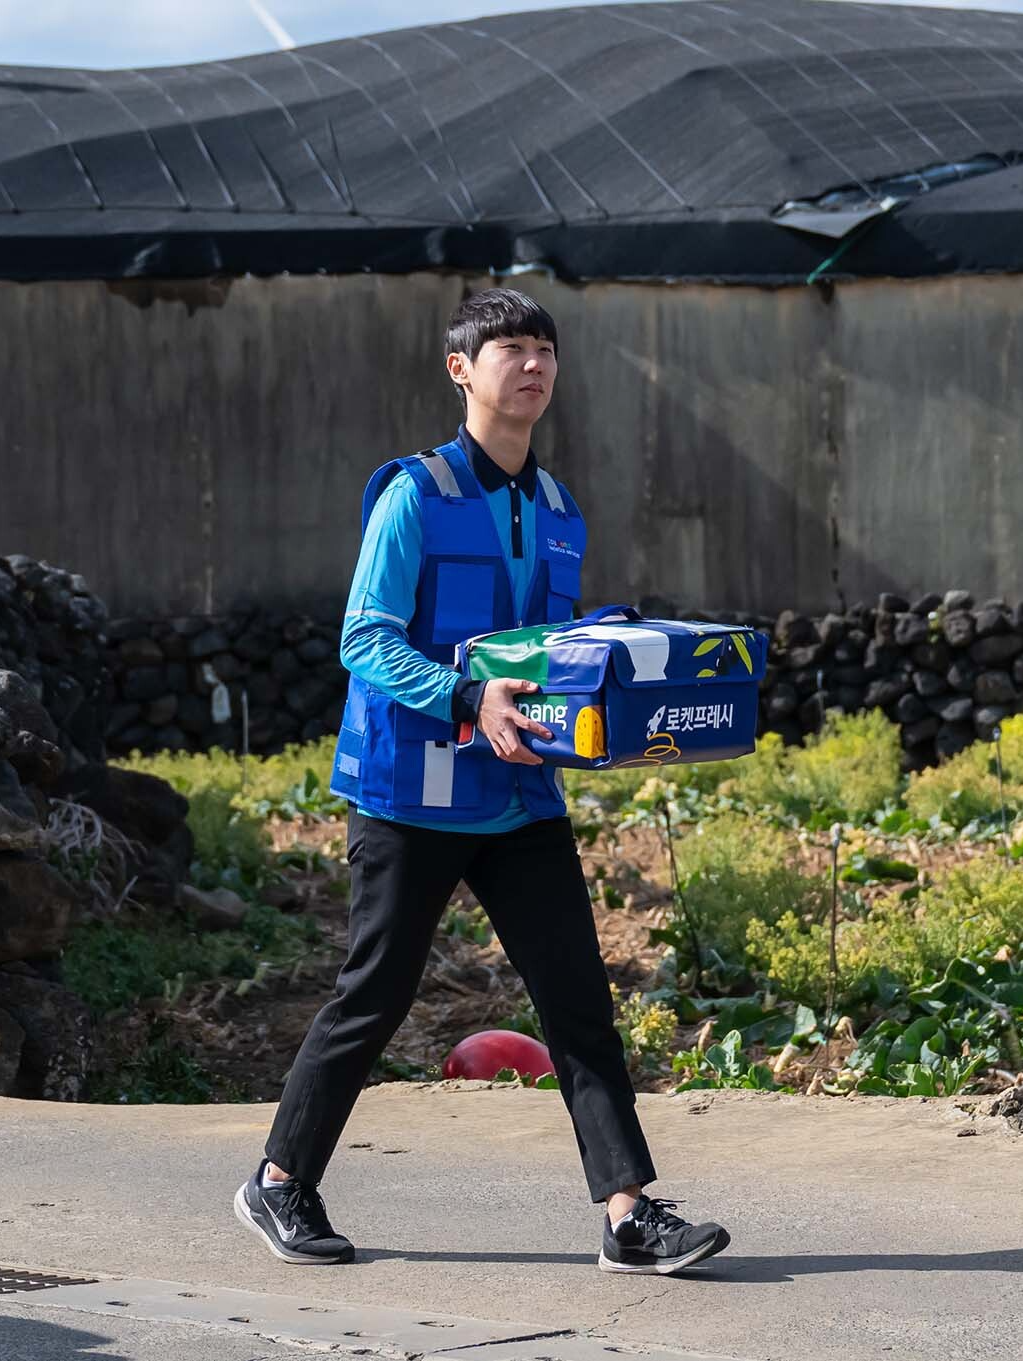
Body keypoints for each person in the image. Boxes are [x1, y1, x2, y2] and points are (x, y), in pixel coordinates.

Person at [232, 288, 730, 1277]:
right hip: (410, 792)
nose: (532, 363)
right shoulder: (413, 493)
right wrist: (467, 699)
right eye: (510, 347)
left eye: (545, 348)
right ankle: (279, 1181)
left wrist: (602, 708)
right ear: (460, 369)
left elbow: (546, 654)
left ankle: (628, 1213)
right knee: (374, 994)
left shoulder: (556, 509)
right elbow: (363, 639)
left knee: (577, 1000)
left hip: (517, 796)